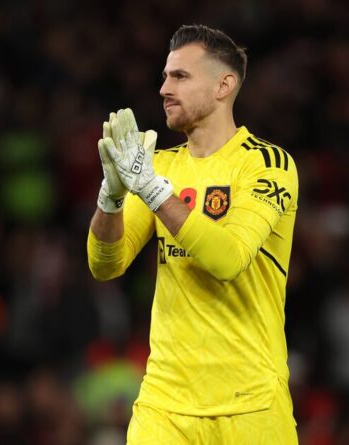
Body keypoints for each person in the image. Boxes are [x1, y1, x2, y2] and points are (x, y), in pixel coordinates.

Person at [87, 24, 299, 444]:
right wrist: (111, 198)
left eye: (180, 76)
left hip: (250, 404)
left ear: (224, 86)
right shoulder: (161, 167)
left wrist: (150, 189)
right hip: (164, 406)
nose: (164, 89)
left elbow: (227, 259)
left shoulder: (267, 165)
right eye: (165, 76)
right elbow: (105, 265)